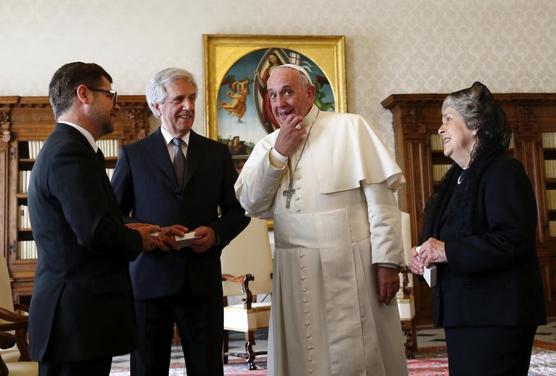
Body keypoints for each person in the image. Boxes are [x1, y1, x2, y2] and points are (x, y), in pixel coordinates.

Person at [235, 64, 408, 376]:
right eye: (272, 95)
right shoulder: (266, 146)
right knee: (303, 357)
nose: (279, 102)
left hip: (352, 263)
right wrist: (278, 153)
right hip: (292, 268)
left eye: (287, 91)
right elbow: (253, 204)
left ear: (310, 93)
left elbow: (381, 204)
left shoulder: (350, 128)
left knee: (359, 358)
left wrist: (387, 262)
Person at [27, 62, 164, 376]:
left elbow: (90, 219)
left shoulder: (71, 148)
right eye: (110, 94)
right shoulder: (69, 152)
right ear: (83, 94)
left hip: (79, 321)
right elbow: (93, 232)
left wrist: (141, 228)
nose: (116, 105)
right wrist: (141, 240)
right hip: (75, 321)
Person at [111, 67, 250, 376]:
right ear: (157, 106)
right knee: (148, 369)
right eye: (179, 99)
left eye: (192, 98)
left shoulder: (216, 153)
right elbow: (113, 215)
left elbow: (238, 211)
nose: (188, 106)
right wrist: (152, 232)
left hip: (200, 282)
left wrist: (214, 234)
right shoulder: (133, 155)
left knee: (207, 369)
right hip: (149, 280)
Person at [409, 82, 546, 375]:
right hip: (466, 312)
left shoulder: (503, 172)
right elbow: (447, 241)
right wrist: (424, 256)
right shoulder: (456, 181)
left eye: (447, 119)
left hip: (499, 315)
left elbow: (512, 240)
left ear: (474, 126)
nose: (440, 129)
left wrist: (445, 251)